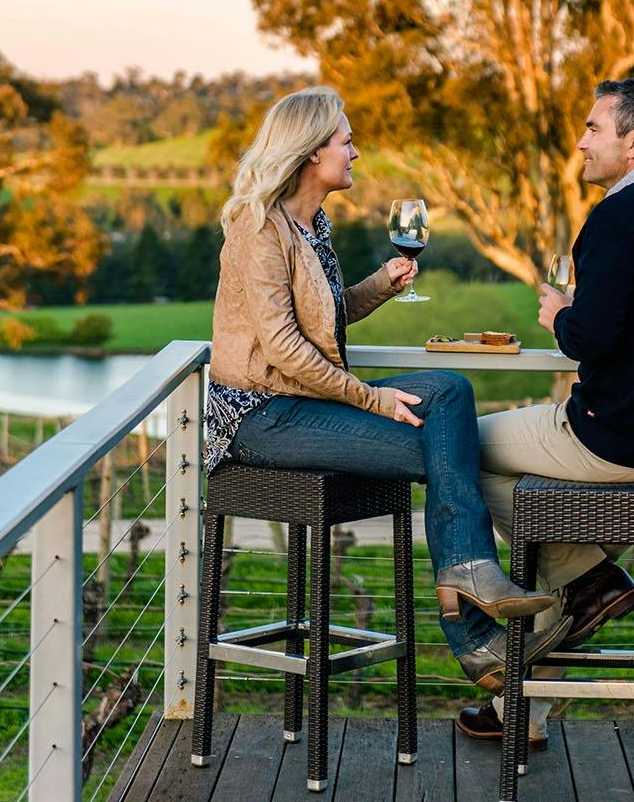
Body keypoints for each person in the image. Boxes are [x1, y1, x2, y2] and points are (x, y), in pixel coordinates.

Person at [210, 86, 568, 696]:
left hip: (309, 402)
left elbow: (321, 320)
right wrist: (373, 399)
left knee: (450, 391)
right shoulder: (257, 225)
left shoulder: (312, 223)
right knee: (446, 450)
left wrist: (383, 283)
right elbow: (280, 348)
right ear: (309, 150)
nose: (356, 152)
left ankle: (468, 574)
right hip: (260, 416)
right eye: (346, 141)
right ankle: (475, 631)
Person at [456, 77, 634, 746]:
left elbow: (590, 339)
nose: (581, 142)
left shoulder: (616, 217)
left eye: (593, 128)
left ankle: (583, 580)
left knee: (454, 445)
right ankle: (522, 711)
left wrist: (562, 314)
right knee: (567, 551)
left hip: (611, 441)